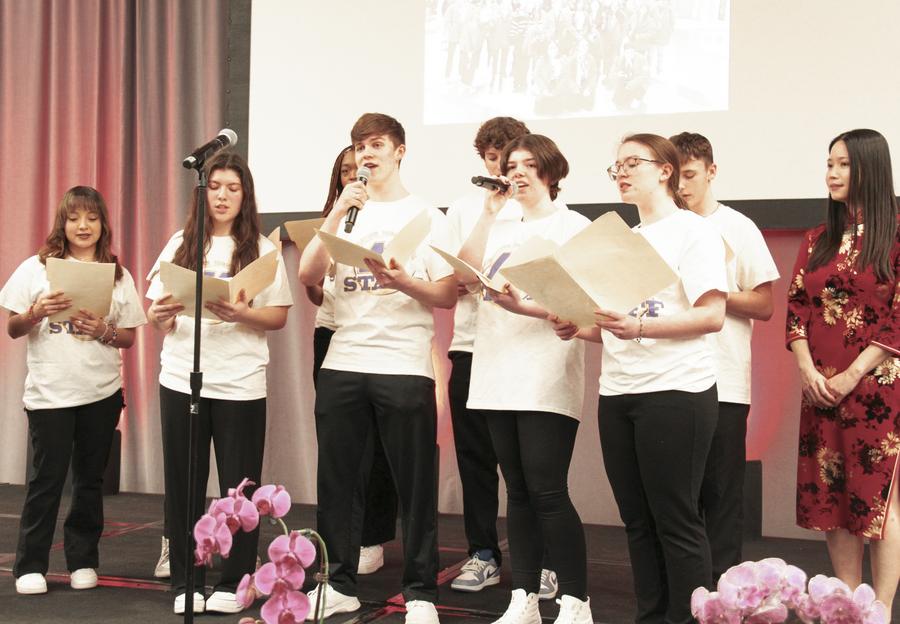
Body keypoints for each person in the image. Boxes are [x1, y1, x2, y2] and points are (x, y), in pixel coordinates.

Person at [554, 133, 726, 623]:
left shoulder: (694, 232)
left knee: (676, 519)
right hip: (619, 391)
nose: (622, 173)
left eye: (633, 163)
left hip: (676, 390)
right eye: (617, 167)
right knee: (636, 520)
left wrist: (642, 328)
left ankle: (688, 618)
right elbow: (619, 325)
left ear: (666, 170)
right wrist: (579, 327)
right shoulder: (623, 239)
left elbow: (712, 315)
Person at [298, 113, 456, 624]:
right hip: (344, 362)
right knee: (338, 483)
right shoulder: (348, 212)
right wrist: (337, 211)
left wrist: (404, 282)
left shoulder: (427, 215)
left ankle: (420, 593)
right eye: (359, 146)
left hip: (403, 364)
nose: (367, 154)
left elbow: (447, 294)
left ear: (399, 151)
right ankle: (337, 584)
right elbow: (307, 273)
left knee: (414, 485)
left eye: (377, 144)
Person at [146, 151, 293, 615]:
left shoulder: (262, 251)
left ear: (246, 195)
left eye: (233, 188)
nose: (223, 196)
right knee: (184, 484)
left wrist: (242, 314)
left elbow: (278, 316)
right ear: (202, 193)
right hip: (182, 378)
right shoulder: (181, 243)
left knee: (239, 488)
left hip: (240, 382)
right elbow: (155, 315)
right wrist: (159, 315)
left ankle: (237, 581)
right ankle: (186, 582)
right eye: (214, 187)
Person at [458, 133, 592, 624]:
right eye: (511, 165)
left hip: (546, 370)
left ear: (551, 172)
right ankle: (525, 598)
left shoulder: (573, 227)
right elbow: (464, 275)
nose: (517, 173)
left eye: (529, 165)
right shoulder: (499, 224)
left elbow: (583, 305)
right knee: (515, 491)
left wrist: (525, 306)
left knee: (547, 490)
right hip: (495, 366)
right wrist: (488, 212)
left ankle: (576, 601)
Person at [1, 186, 146, 595]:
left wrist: (103, 330)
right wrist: (35, 312)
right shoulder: (36, 268)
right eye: (75, 218)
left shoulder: (117, 274)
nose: (83, 226)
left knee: (89, 481)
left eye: (92, 218)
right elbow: (12, 328)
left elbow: (129, 337)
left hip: (101, 392)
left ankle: (83, 560)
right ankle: (30, 565)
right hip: (50, 393)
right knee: (46, 479)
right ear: (62, 224)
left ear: (103, 225)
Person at [786, 128, 900, 613]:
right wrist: (807, 371)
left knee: (878, 501)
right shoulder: (817, 238)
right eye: (829, 163)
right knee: (831, 499)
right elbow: (796, 309)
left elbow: (898, 317)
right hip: (820, 388)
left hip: (878, 390)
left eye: (843, 164)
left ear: (869, 169)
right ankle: (848, 606)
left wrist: (852, 375)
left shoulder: (896, 234)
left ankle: (880, 610)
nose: (831, 173)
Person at [445, 116, 558, 599]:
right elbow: (457, 276)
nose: (504, 170)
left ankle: (544, 561)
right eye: (494, 160)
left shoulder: (545, 212)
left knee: (532, 469)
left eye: (512, 161)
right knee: (476, 460)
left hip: (529, 348)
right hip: (472, 344)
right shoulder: (469, 208)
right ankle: (483, 553)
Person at [670, 132, 780, 582]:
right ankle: (682, 590)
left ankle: (723, 593)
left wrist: (710, 291)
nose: (681, 187)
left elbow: (765, 304)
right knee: (676, 497)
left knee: (721, 495)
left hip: (724, 381)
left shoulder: (738, 226)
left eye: (690, 175)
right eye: (674, 178)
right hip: (669, 379)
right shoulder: (662, 230)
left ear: (711, 171)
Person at [306, 145, 398, 575]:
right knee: (340, 446)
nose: (354, 176)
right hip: (332, 333)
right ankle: (338, 537)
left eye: (360, 168)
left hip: (377, 337)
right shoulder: (333, 220)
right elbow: (313, 291)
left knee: (377, 445)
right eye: (346, 171)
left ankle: (372, 536)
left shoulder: (389, 217)